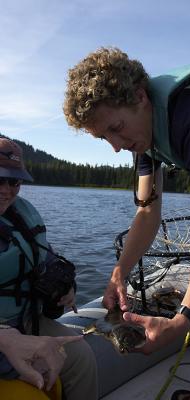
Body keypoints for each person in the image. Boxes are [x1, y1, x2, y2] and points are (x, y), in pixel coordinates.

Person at [63, 47, 190, 400]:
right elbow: (146, 213)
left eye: (116, 128)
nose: (114, 146)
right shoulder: (142, 131)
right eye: (102, 137)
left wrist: (182, 319)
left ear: (141, 96)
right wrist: (119, 273)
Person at [0, 138, 98, 399]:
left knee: (82, 358)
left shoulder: (19, 216)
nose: (6, 190)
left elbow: (47, 257)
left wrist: (68, 288)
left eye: (14, 181)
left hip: (25, 319)